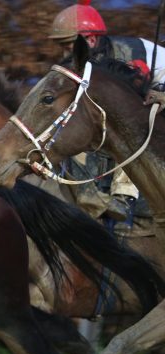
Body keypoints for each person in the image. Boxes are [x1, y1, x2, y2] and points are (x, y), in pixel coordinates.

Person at [47, 0, 164, 222]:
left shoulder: (133, 52)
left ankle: (123, 197)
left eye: (67, 45)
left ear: (90, 40)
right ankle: (95, 206)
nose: (64, 53)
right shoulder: (86, 64)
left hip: (156, 109)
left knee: (127, 127)